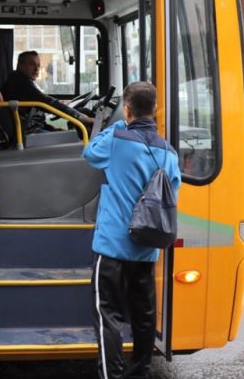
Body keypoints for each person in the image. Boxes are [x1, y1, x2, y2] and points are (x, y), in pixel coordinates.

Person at [83, 81, 182, 379]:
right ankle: (139, 371)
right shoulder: (169, 153)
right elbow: (172, 193)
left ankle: (111, 375)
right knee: (143, 316)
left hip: (111, 246)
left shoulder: (117, 140)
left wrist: (115, 127)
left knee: (107, 315)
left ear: (126, 109)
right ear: (154, 110)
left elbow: (90, 154)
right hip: (146, 248)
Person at [0, 50, 91, 133]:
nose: (36, 69)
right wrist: (79, 116)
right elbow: (45, 101)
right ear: (20, 65)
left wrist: (52, 129)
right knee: (74, 140)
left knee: (69, 135)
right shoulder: (19, 81)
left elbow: (36, 117)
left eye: (38, 65)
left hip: (30, 129)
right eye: (32, 64)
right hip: (27, 133)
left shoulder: (23, 80)